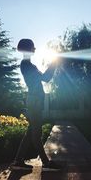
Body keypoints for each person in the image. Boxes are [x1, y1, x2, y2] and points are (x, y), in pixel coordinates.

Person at [11, 39, 61, 170]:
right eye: (33, 47)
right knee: (36, 133)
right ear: (28, 49)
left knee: (30, 132)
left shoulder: (28, 65)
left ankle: (18, 161)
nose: (35, 48)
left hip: (34, 100)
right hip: (34, 101)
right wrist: (54, 63)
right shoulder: (26, 65)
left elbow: (44, 78)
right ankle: (46, 162)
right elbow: (45, 78)